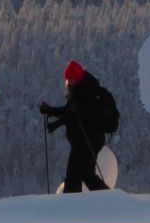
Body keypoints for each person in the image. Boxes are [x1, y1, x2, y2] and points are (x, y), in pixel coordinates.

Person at [40, 60, 119, 193]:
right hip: (87, 140)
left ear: (76, 78)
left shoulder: (88, 92)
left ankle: (71, 206)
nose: (67, 83)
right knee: (87, 175)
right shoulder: (80, 89)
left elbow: (85, 113)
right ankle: (108, 199)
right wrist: (50, 111)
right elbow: (69, 112)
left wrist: (80, 111)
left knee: (73, 175)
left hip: (87, 141)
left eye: (69, 80)